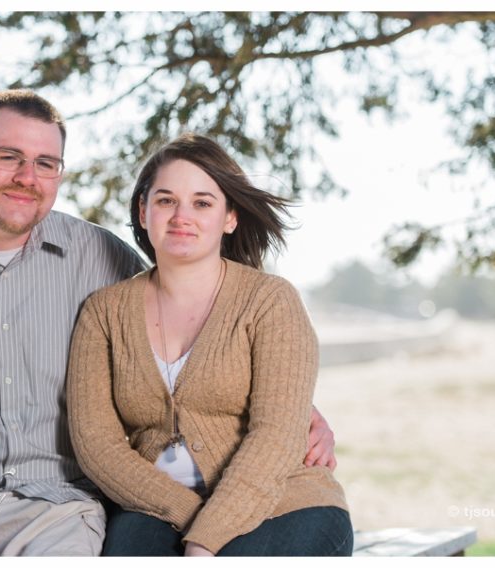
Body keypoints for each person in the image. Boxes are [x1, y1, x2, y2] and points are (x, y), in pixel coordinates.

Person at [0, 90, 338, 556]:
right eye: (8, 156)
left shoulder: (99, 256)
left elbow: (203, 319)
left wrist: (298, 408)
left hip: (56, 514)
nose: (26, 176)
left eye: (45, 163)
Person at [67, 133, 353, 556]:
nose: (183, 215)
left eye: (202, 203)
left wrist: (205, 540)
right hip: (157, 507)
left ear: (230, 217)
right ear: (144, 212)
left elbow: (275, 436)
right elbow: (97, 445)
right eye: (166, 200)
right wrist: (191, 513)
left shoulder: (271, 301)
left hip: (285, 503)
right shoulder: (103, 313)